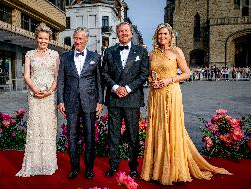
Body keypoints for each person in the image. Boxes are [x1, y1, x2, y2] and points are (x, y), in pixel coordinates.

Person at [141, 23, 232, 185]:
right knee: (158, 128)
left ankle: (173, 169)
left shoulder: (177, 52)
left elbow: (186, 73)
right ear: (156, 36)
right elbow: (148, 75)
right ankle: (158, 169)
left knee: (171, 128)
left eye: (165, 34)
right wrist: (151, 81)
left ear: (170, 36)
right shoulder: (152, 54)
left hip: (171, 93)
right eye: (159, 34)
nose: (162, 37)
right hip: (156, 96)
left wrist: (169, 80)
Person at [102, 22, 149, 179]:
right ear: (117, 33)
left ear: (131, 33)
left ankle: (133, 166)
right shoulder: (109, 51)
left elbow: (143, 75)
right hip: (114, 99)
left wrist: (127, 88)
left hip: (132, 99)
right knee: (113, 135)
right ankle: (113, 165)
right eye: (121, 31)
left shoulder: (141, 52)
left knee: (132, 135)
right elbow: (104, 73)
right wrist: (116, 87)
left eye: (126, 31)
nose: (124, 33)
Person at [57, 27, 103, 180]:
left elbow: (98, 82)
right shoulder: (65, 57)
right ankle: (75, 168)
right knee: (72, 137)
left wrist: (99, 101)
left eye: (80, 38)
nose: (77, 41)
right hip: (70, 103)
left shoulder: (95, 57)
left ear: (86, 40)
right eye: (75, 38)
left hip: (89, 102)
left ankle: (89, 169)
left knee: (90, 137)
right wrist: (60, 100)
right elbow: (61, 81)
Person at [16, 23, 59, 177]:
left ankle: (48, 163)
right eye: (40, 38)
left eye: (45, 39)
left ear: (49, 40)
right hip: (34, 96)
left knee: (48, 127)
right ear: (36, 38)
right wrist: (35, 89)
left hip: (49, 97)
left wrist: (49, 92)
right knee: (35, 127)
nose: (43, 41)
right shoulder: (29, 54)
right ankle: (33, 164)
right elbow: (26, 75)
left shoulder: (55, 55)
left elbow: (57, 77)